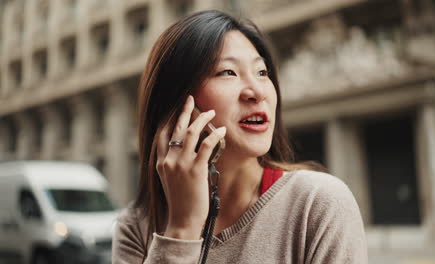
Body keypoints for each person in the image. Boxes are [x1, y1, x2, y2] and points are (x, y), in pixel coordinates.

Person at [112, 10, 368, 264]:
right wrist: (181, 230)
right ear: (177, 105)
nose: (257, 91)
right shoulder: (137, 227)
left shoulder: (317, 203)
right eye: (228, 72)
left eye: (262, 72)